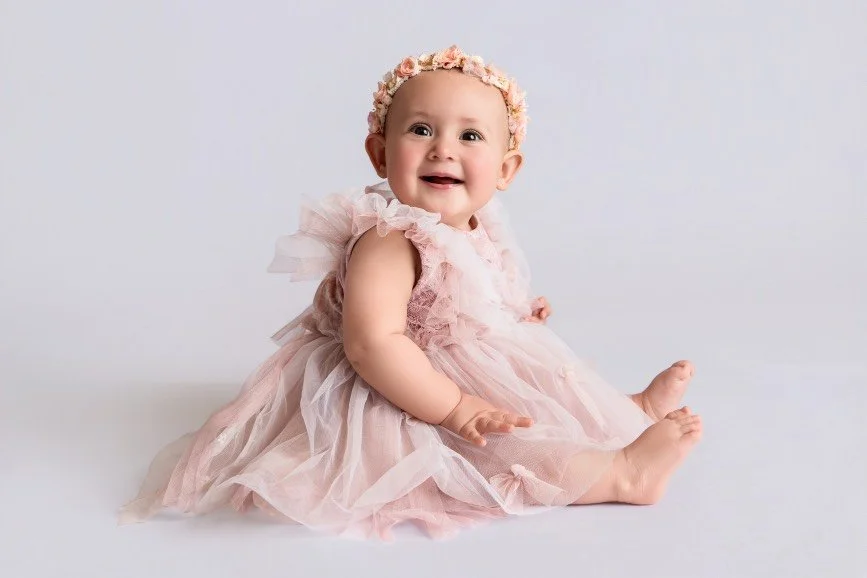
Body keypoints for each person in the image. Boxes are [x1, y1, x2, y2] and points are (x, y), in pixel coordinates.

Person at [120, 45, 702, 540]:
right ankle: (622, 475)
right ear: (378, 152)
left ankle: (624, 415)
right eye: (421, 129)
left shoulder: (477, 225)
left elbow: (478, 288)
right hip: (401, 384)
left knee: (540, 395)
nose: (443, 148)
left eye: (469, 135)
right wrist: (452, 408)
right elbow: (373, 343)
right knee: (495, 448)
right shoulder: (389, 239)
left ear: (506, 169)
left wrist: (515, 308)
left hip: (472, 362)